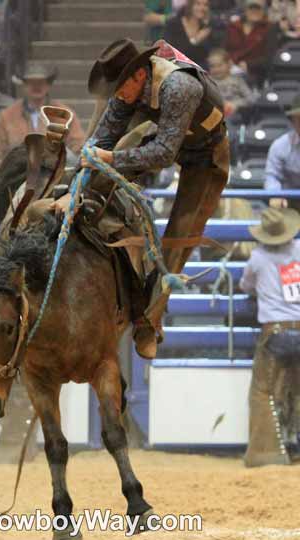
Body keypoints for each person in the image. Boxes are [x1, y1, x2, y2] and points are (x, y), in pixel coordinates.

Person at [52, 38, 230, 359]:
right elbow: (102, 138)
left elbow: (162, 154)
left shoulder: (179, 87)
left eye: (121, 88)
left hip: (205, 151)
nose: (117, 96)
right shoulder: (128, 91)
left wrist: (108, 158)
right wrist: (77, 182)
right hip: (158, 130)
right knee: (99, 169)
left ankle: (150, 322)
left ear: (138, 76)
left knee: (179, 236)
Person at [240, 207, 300, 467]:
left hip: (275, 332)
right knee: (296, 388)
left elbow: (246, 286)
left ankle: (268, 453)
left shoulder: (257, 258)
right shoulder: (298, 250)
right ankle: (295, 444)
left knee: (263, 391)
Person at [0, 61, 85, 186]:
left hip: (53, 182)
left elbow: (77, 147)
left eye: (41, 83)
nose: (36, 87)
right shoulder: (8, 116)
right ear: (24, 85)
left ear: (48, 85)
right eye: (31, 82)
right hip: (15, 181)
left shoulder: (64, 114)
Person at [225, 0, 278, 87]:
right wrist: (227, 61)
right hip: (229, 68)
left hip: (255, 73)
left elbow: (270, 57)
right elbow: (224, 49)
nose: (254, 11)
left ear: (263, 11)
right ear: (245, 10)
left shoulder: (269, 28)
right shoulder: (233, 26)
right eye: (251, 8)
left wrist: (248, 65)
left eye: (258, 8)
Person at [163, 0, 225, 68]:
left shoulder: (208, 26)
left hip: (202, 69)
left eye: (206, 5)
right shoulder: (174, 24)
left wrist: (207, 25)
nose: (202, 8)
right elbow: (173, 54)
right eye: (198, 4)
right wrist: (195, 41)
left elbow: (214, 52)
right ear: (190, 5)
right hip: (178, 67)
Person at [264, 95, 300, 210]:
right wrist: (276, 195)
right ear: (293, 121)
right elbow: (272, 176)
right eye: (299, 119)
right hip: (288, 204)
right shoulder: (280, 146)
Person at [207, 48, 256, 118]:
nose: (216, 69)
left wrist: (235, 104)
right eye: (212, 66)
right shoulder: (208, 82)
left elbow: (251, 99)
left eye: (219, 65)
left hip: (237, 116)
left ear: (229, 65)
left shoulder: (237, 80)